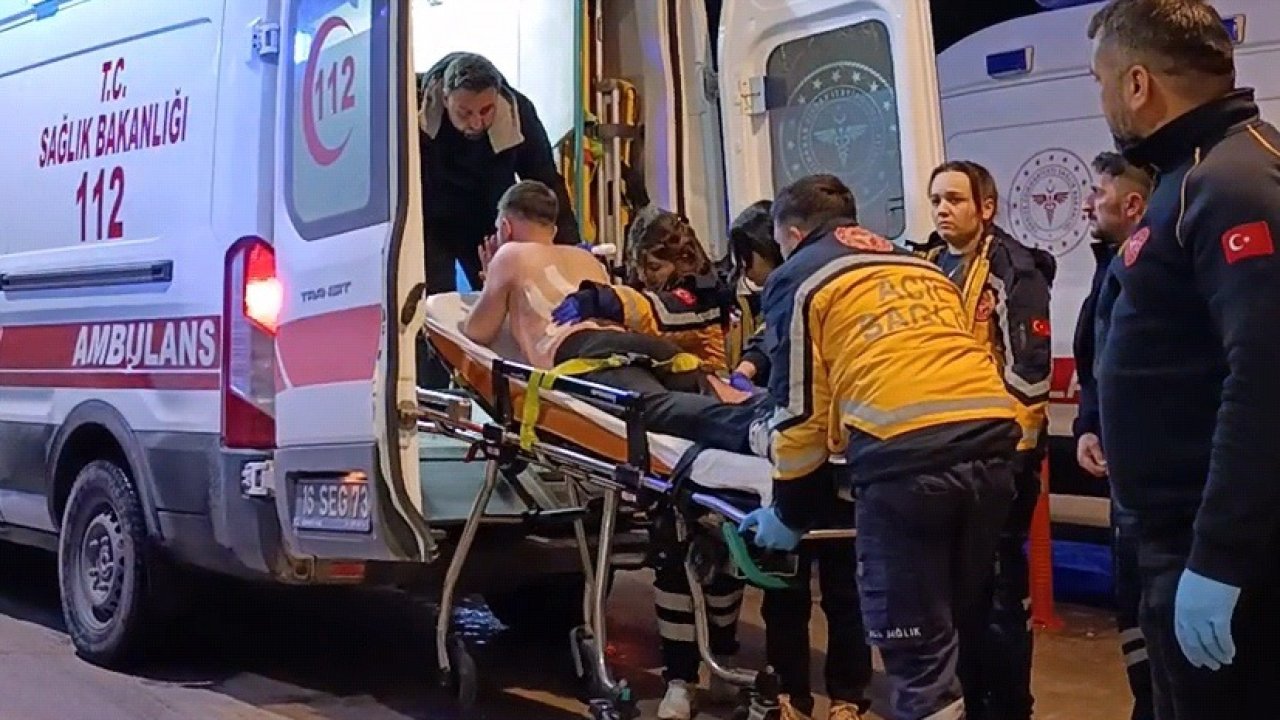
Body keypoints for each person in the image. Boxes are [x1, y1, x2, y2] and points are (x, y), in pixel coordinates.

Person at [458, 180, 746, 720]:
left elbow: (475, 332)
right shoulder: (586, 260)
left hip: (584, 353)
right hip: (646, 348)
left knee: (652, 415)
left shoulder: (509, 255)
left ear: (505, 225)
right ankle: (759, 419)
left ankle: (751, 427)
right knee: (693, 399)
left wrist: (487, 276)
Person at [739, 174, 1020, 720]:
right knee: (959, 628)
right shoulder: (922, 267)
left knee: (917, 649)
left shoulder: (799, 276)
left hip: (907, 462)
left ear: (791, 234)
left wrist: (788, 511)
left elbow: (800, 410)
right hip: (992, 443)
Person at [1087, 1, 1280, 716]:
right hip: (1180, 537)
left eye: (1102, 81)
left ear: (1138, 83)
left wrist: (1220, 558)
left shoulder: (1231, 182)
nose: (1103, 100)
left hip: (1223, 549)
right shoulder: (1186, 175)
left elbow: (1264, 376)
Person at [912, 160, 1056, 720]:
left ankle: (1011, 707)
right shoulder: (925, 265)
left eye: (954, 199)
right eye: (936, 200)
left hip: (999, 455)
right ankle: (973, 699)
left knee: (998, 590)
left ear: (986, 207)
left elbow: (1030, 373)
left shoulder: (1014, 269)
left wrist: (1010, 459)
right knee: (955, 592)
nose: (942, 210)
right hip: (944, 451)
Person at [723, 200, 873, 720]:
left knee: (833, 590)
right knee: (804, 591)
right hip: (826, 452)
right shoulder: (827, 280)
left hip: (817, 454)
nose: (750, 274)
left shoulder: (803, 282)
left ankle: (841, 696)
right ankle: (801, 695)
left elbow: (798, 391)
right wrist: (748, 367)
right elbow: (771, 339)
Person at [1074, 151, 1155, 720]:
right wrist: (1088, 425)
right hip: (1124, 477)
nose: (1086, 204)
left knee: (1156, 606)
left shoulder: (1159, 273)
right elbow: (1097, 364)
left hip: (1159, 482)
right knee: (1133, 605)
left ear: (1132, 205)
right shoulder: (1110, 270)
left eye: (1097, 193)